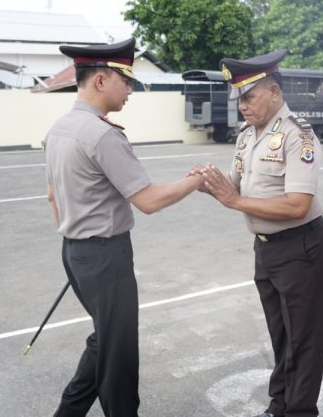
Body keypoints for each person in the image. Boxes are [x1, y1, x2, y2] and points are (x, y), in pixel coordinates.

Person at [44, 38, 203, 417]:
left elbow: (53, 196)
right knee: (119, 357)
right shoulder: (102, 134)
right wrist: (197, 180)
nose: (129, 90)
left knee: (104, 342)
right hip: (104, 258)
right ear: (100, 81)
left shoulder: (59, 129)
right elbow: (148, 200)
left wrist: (77, 235)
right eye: (125, 80)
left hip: (76, 252)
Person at [196, 49, 323, 417]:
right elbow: (235, 184)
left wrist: (234, 200)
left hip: (302, 245)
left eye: (249, 96)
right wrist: (209, 182)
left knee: (303, 339)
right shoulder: (246, 136)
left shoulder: (297, 136)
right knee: (281, 333)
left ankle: (299, 411)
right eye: (239, 98)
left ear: (274, 91)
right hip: (267, 249)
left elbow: (296, 205)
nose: (242, 105)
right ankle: (279, 405)